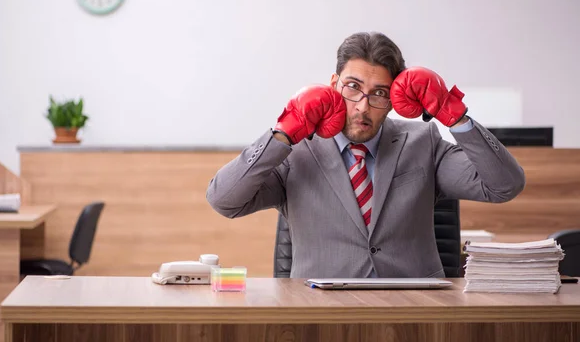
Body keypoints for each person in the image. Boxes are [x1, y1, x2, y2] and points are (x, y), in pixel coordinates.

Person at [206, 32, 525, 279]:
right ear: (333, 84)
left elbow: (503, 186)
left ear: (397, 98)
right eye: (353, 87)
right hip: (321, 314)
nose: (362, 105)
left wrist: (453, 113)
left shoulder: (422, 141)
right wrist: (283, 132)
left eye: (379, 94)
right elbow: (224, 200)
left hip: (414, 313)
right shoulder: (296, 151)